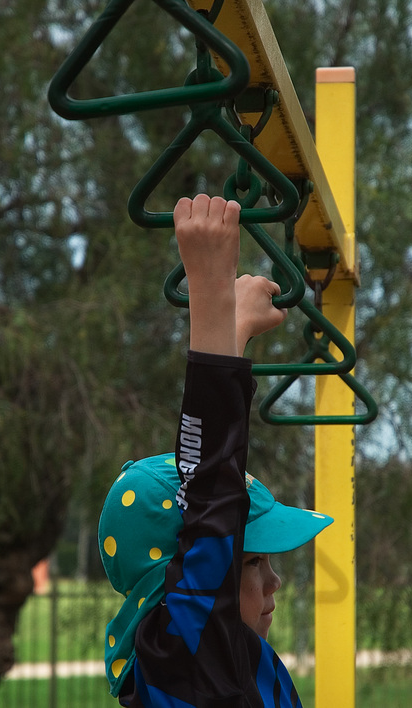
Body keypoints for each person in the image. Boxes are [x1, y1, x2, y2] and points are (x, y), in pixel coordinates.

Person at [98, 194, 334, 706]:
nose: (274, 582)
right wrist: (208, 294)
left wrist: (233, 332)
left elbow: (213, 500)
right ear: (180, 580)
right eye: (248, 561)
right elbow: (211, 492)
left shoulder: (223, 657)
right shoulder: (178, 657)